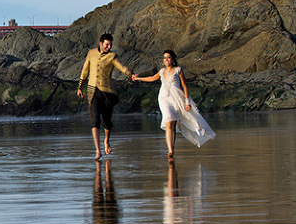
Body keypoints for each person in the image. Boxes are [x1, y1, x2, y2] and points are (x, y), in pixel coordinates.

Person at [130, 48, 215, 159]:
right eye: (164, 58)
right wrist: (138, 78)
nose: (166, 59)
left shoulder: (178, 70)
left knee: (173, 124)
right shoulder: (162, 71)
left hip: (176, 99)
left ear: (173, 59)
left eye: (168, 57)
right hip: (164, 98)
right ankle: (169, 150)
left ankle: (172, 150)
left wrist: (187, 102)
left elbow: (184, 86)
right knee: (168, 121)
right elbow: (152, 78)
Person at [76, 32, 132, 162]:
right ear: (101, 43)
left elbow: (121, 67)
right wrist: (80, 87)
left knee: (107, 121)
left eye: (110, 45)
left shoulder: (112, 56)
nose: (109, 47)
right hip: (92, 91)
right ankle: (98, 150)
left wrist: (131, 75)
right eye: (107, 45)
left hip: (106, 92)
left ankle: (106, 141)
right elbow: (85, 70)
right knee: (95, 121)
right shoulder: (91, 53)